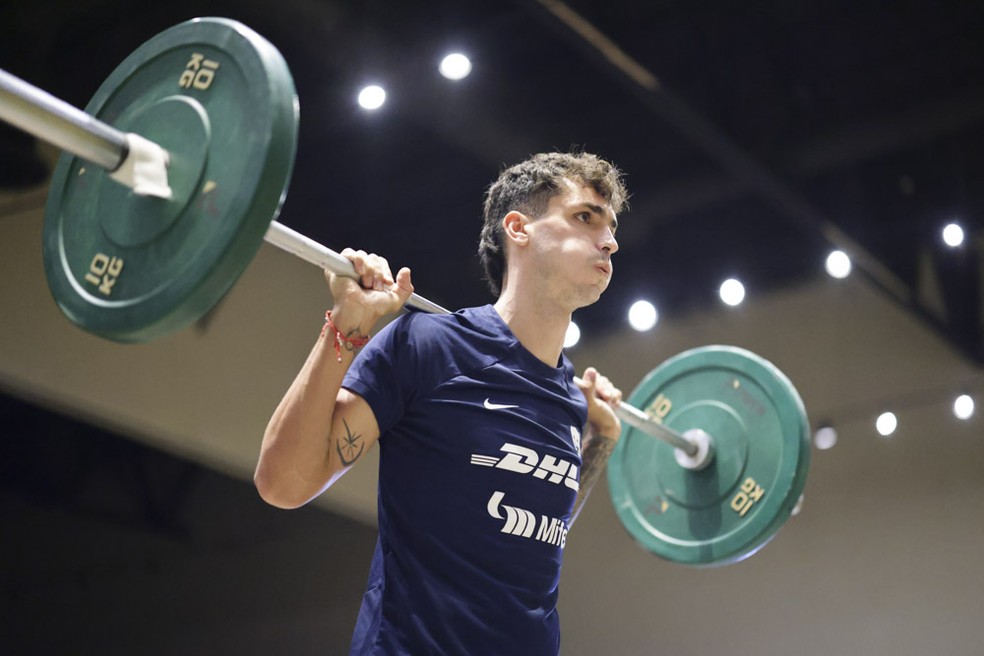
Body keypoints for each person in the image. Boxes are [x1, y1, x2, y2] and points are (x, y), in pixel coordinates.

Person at [255, 151, 629, 655]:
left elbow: (542, 528)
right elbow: (283, 484)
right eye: (585, 217)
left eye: (610, 227)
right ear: (518, 228)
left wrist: (600, 439)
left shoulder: (568, 398)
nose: (609, 240)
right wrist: (345, 329)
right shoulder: (429, 346)